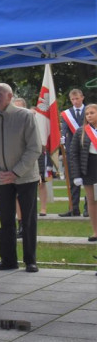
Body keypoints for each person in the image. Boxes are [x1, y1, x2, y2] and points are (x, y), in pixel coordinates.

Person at [0, 83, 41, 272]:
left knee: (27, 219)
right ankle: (9, 259)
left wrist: (16, 172)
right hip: (1, 178)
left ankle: (30, 260)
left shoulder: (25, 116)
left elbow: (35, 147)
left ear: (10, 96)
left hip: (25, 177)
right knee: (5, 220)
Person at [67, 103, 97, 244]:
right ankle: (96, 231)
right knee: (92, 201)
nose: (89, 115)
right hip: (89, 168)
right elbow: (74, 154)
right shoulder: (81, 131)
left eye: (92, 113)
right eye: (87, 113)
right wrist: (77, 175)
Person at [60, 89, 87, 217]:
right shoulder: (67, 114)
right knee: (72, 180)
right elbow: (64, 129)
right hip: (72, 151)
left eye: (77, 98)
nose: (75, 101)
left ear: (82, 98)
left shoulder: (89, 110)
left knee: (88, 180)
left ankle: (88, 208)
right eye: (72, 99)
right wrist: (61, 138)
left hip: (88, 150)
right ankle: (73, 208)